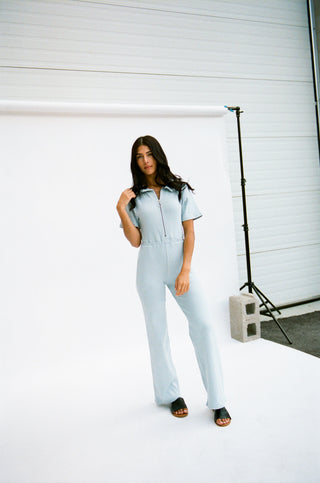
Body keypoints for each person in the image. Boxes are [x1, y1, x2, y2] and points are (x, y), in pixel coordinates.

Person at [116, 135, 231, 427]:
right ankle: (171, 395)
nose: (145, 160)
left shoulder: (179, 190)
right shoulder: (134, 196)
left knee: (203, 324)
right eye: (140, 156)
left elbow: (190, 233)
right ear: (136, 161)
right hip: (149, 266)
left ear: (158, 155)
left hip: (181, 264)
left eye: (149, 154)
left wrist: (185, 270)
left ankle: (217, 401)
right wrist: (121, 209)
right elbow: (135, 241)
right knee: (158, 332)